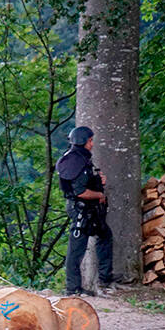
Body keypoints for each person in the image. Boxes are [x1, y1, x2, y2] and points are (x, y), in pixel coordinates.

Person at [56, 126, 125, 296]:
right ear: (84, 142)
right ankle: (73, 288)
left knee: (104, 236)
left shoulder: (78, 158)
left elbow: (85, 179)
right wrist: (99, 194)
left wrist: (97, 178)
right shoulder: (75, 160)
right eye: (90, 140)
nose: (92, 144)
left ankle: (105, 279)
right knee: (77, 248)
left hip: (89, 209)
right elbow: (80, 192)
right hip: (81, 210)